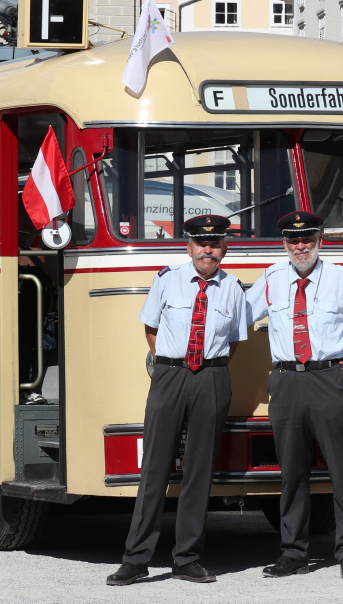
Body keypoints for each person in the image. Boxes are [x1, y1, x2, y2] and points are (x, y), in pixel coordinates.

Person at [106, 214, 252, 587]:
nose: (208, 250)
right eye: (202, 244)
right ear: (189, 247)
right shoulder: (166, 279)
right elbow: (151, 329)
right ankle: (136, 559)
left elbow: (233, 342)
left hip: (213, 377)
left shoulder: (234, 288)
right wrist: (174, 366)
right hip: (169, 375)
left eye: (215, 244)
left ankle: (186, 558)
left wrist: (206, 369)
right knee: (154, 467)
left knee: (199, 471)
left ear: (224, 249)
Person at [248, 211, 343, 581]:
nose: (300, 247)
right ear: (285, 245)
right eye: (294, 241)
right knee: (292, 473)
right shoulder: (271, 278)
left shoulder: (342, 279)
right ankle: (293, 553)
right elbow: (238, 316)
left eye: (307, 240)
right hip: (285, 382)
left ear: (319, 242)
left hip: (329, 380)